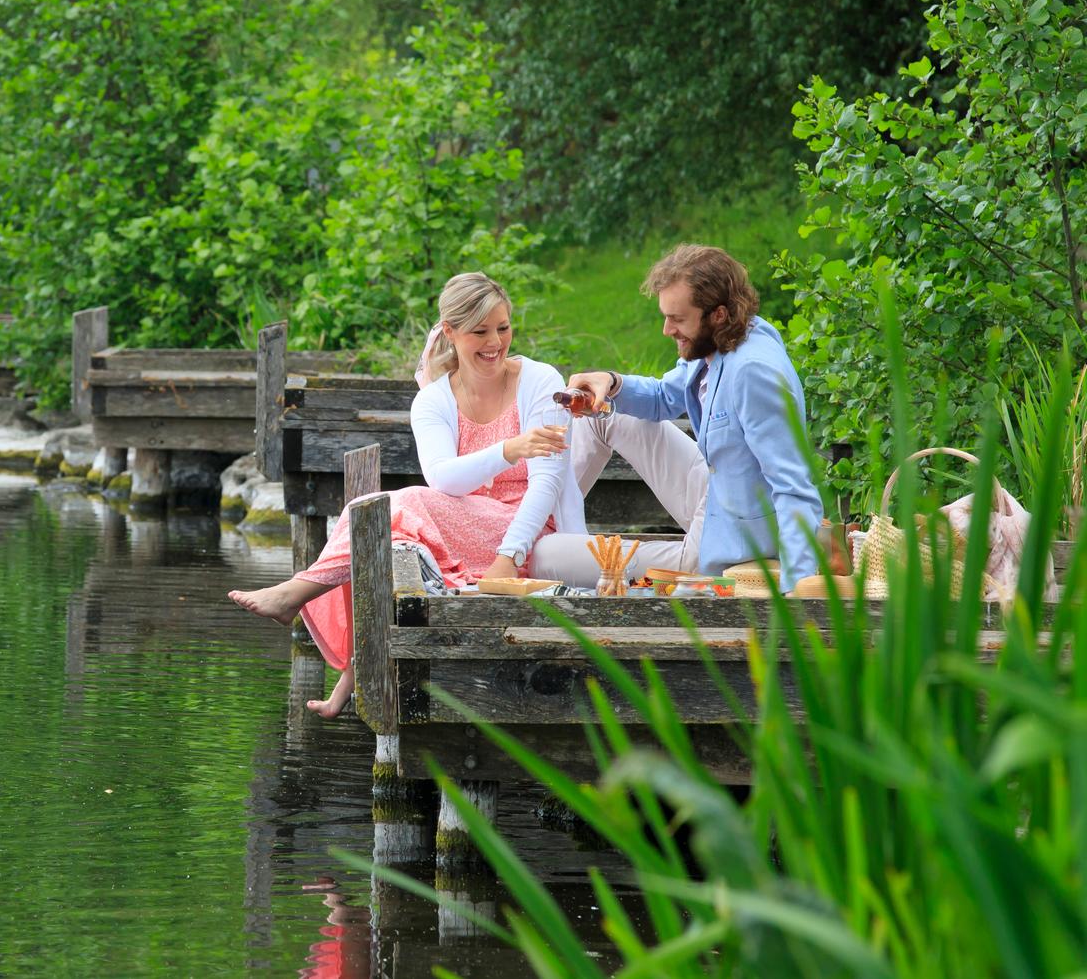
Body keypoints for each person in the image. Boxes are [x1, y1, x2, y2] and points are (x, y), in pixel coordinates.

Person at [229, 272, 585, 716]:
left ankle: (296, 595)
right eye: (480, 331)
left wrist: (509, 556)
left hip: (532, 534)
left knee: (394, 507)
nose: (495, 342)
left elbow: (547, 484)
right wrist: (509, 449)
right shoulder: (434, 400)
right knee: (388, 535)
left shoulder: (538, 380)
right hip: (466, 526)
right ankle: (352, 676)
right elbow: (444, 480)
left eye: (503, 327)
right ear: (450, 332)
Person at [531, 243, 823, 592]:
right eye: (665, 316)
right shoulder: (719, 341)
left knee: (545, 557)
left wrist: (798, 593)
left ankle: (537, 552)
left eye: (678, 319)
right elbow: (664, 397)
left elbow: (794, 487)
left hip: (737, 544)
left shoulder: (754, 372)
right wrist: (611, 383)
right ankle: (532, 522)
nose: (667, 330)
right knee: (604, 413)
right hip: (716, 490)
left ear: (718, 314)